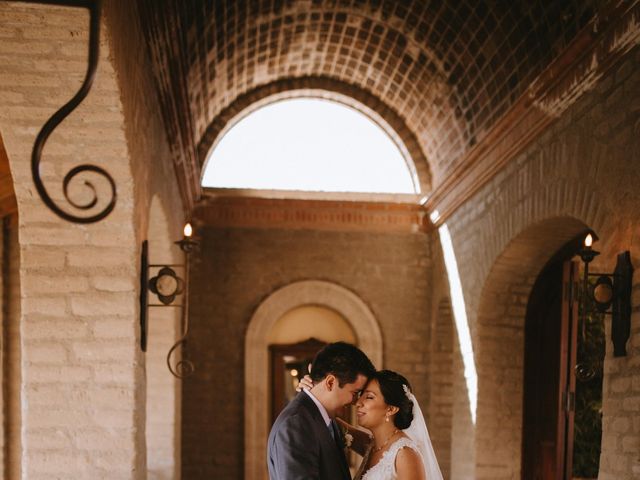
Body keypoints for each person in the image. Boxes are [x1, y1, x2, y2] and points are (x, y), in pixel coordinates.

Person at [299, 370, 443, 480]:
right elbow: (327, 418)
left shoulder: (405, 454)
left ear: (391, 409)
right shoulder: (371, 445)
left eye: (369, 397)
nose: (358, 402)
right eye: (360, 394)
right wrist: (314, 393)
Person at [267, 341, 376, 480]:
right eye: (355, 393)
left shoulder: (326, 419)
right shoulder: (295, 425)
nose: (356, 402)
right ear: (330, 382)